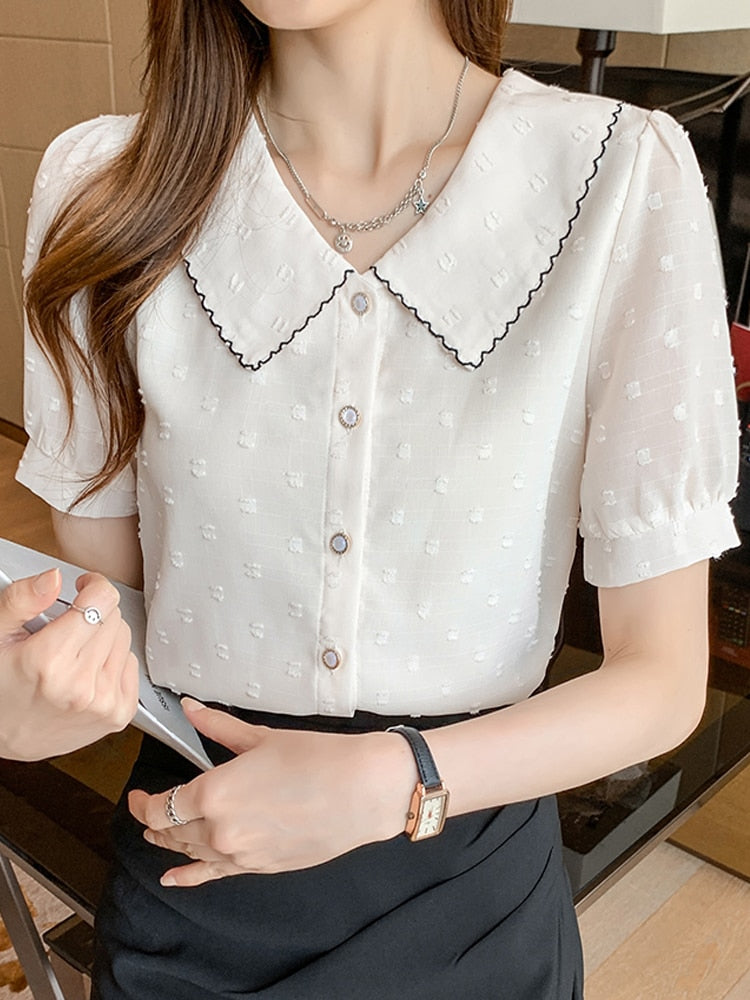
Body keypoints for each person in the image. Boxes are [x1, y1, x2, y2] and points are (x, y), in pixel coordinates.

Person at [2, 0, 740, 996]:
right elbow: (108, 619)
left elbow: (662, 679)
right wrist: (30, 702)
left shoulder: (617, 174)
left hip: (471, 904)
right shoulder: (103, 185)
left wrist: (398, 780)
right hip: (195, 876)